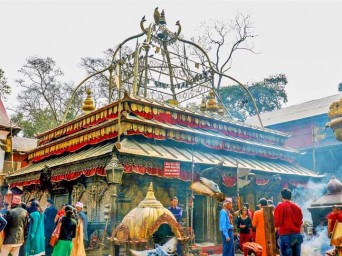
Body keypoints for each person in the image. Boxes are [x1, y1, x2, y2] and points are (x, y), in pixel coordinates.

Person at [274, 188, 303, 256]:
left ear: (282, 196)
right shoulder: (297, 207)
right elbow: (300, 222)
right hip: (297, 235)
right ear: (290, 196)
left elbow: (277, 223)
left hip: (286, 236)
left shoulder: (280, 206)